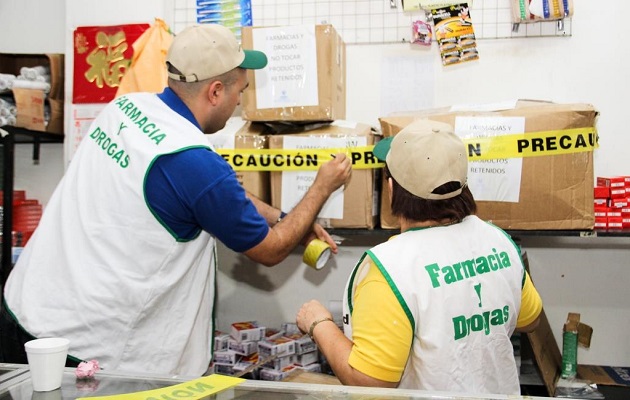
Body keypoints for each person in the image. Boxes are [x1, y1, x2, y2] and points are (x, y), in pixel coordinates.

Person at [0, 24, 352, 377]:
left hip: (26, 306)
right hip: (87, 350)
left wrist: (281, 215)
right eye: (240, 93)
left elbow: (209, 195)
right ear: (215, 91)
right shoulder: (193, 161)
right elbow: (270, 250)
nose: (238, 104)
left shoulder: (126, 108)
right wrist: (321, 187)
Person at [296, 119, 543, 395]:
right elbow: (530, 319)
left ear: (391, 189)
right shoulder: (498, 240)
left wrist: (319, 323)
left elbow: (371, 383)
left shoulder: (391, 269)